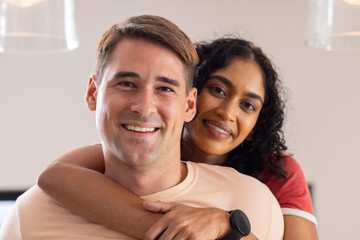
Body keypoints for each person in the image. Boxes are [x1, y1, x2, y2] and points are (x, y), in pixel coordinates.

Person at [0, 15, 284, 240]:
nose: (144, 107)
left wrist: (228, 228)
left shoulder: (252, 203)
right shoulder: (30, 215)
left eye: (164, 88)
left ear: (189, 105)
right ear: (93, 94)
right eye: (126, 83)